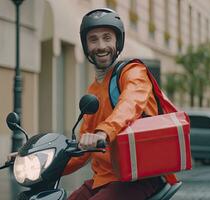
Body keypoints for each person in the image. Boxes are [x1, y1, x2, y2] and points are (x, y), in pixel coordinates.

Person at [63, 8, 168, 200]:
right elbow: (81, 151)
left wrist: (103, 132)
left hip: (137, 177)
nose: (101, 46)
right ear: (86, 45)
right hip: (104, 179)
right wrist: (33, 160)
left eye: (107, 38)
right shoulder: (93, 91)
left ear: (118, 41)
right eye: (93, 39)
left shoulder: (133, 72)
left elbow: (130, 104)